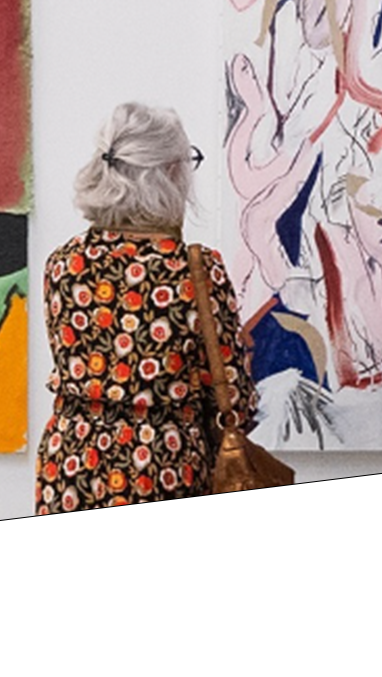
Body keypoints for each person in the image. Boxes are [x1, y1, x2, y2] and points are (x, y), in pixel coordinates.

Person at [37, 102, 258, 514]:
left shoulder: (63, 263)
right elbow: (233, 395)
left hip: (71, 464)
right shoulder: (195, 269)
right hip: (161, 465)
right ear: (171, 172)